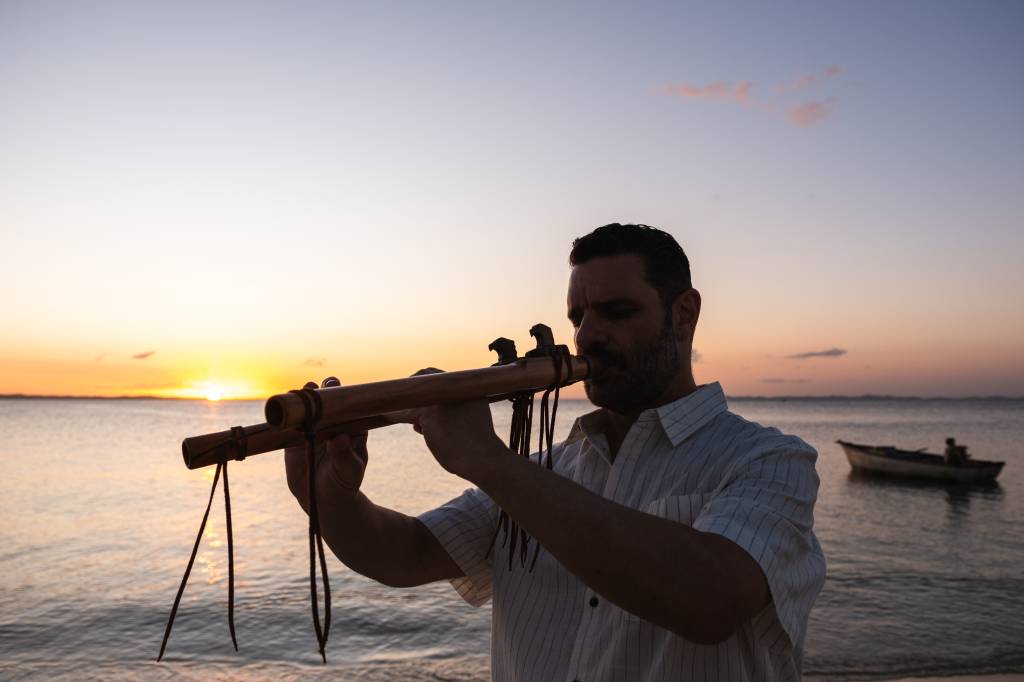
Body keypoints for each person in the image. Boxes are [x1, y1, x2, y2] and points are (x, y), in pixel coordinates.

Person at [285, 223, 826, 681]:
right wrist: (329, 498)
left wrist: (488, 460)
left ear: (684, 314)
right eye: (577, 318)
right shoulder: (547, 471)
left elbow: (710, 599)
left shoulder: (768, 461)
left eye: (616, 312)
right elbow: (405, 554)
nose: (587, 336)